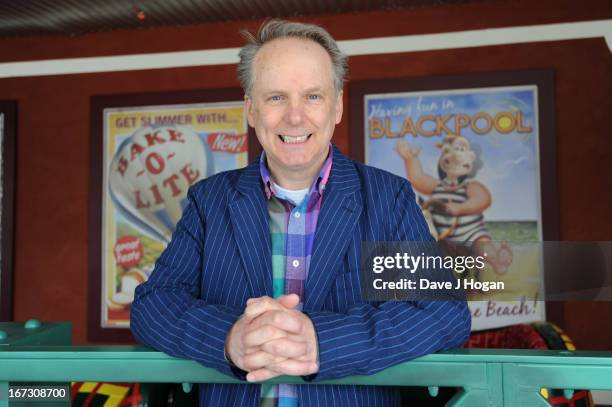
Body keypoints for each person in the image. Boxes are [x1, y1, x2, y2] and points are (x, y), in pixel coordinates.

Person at [131, 19, 471, 407]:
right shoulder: (209, 201)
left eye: (312, 96)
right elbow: (153, 304)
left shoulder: (387, 198)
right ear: (251, 110)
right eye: (276, 97)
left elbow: (444, 314)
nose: (295, 117)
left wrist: (323, 342)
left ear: (337, 105)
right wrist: (228, 338)